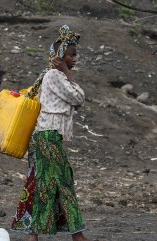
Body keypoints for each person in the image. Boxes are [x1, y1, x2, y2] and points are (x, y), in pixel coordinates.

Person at [11, 25, 94, 241]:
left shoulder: (56, 76)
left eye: (76, 54)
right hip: (47, 137)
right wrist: (67, 72)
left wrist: (67, 73)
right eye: (71, 55)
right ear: (60, 56)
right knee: (62, 183)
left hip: (47, 137)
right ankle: (77, 236)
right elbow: (79, 98)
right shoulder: (55, 76)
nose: (75, 58)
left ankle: (33, 236)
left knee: (45, 184)